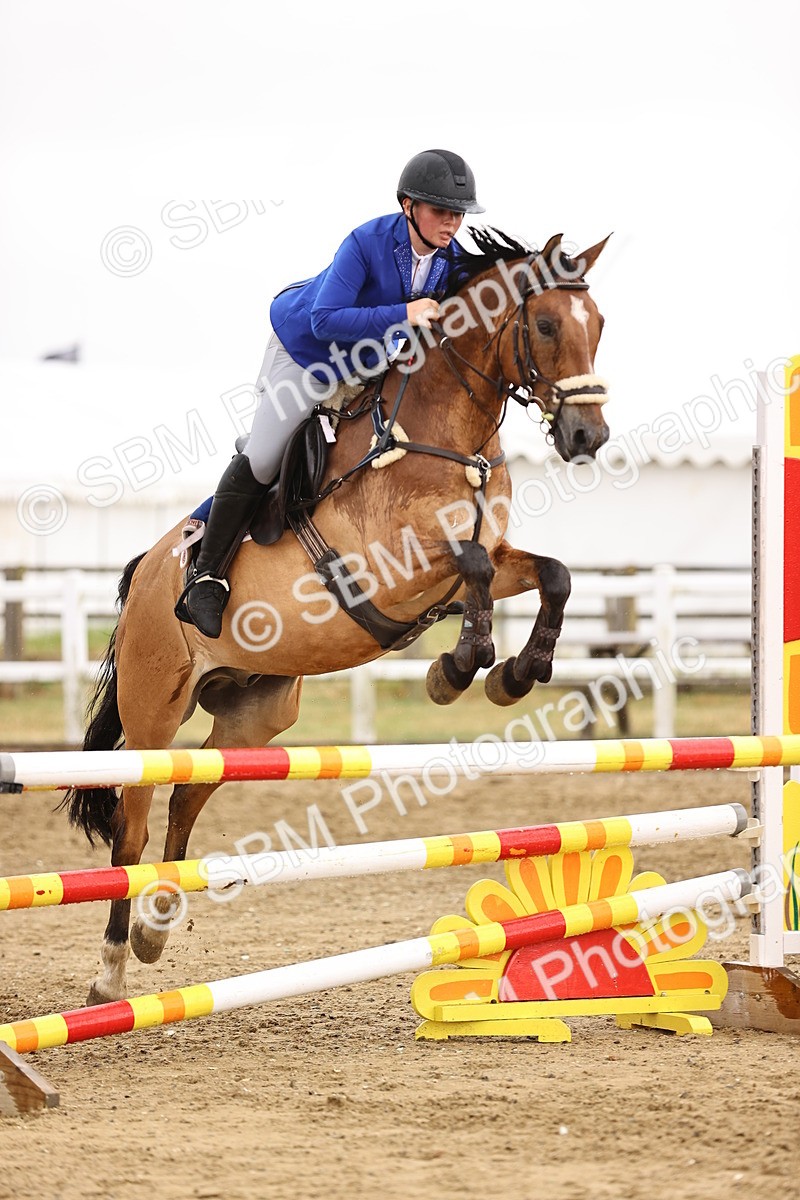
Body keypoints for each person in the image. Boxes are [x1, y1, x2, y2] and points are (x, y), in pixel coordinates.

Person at [175, 148, 485, 638]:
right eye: (441, 211)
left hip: (365, 361)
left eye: (458, 214)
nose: (451, 223)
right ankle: (205, 575)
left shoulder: (449, 260)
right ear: (408, 206)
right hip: (305, 352)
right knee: (264, 455)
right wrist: (404, 314)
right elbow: (325, 319)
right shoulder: (365, 242)